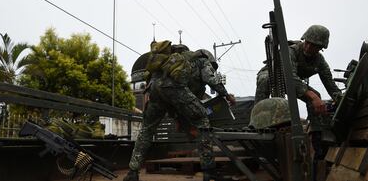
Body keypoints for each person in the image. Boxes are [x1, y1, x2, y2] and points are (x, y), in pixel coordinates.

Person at [123, 42, 235, 181]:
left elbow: (174, 103)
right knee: (203, 122)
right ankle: (209, 171)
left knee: (146, 130)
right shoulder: (202, 61)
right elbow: (210, 79)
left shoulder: (173, 62)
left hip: (154, 89)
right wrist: (226, 95)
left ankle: (132, 173)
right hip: (173, 89)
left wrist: (177, 119)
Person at [254, 24, 341, 181]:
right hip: (273, 74)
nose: (308, 47)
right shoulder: (291, 51)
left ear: (321, 47)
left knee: (317, 96)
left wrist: (340, 100)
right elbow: (290, 78)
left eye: (314, 45)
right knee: (265, 80)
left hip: (292, 81)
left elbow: (331, 85)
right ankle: (255, 124)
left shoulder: (320, 61)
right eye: (307, 42)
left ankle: (318, 140)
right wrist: (313, 97)